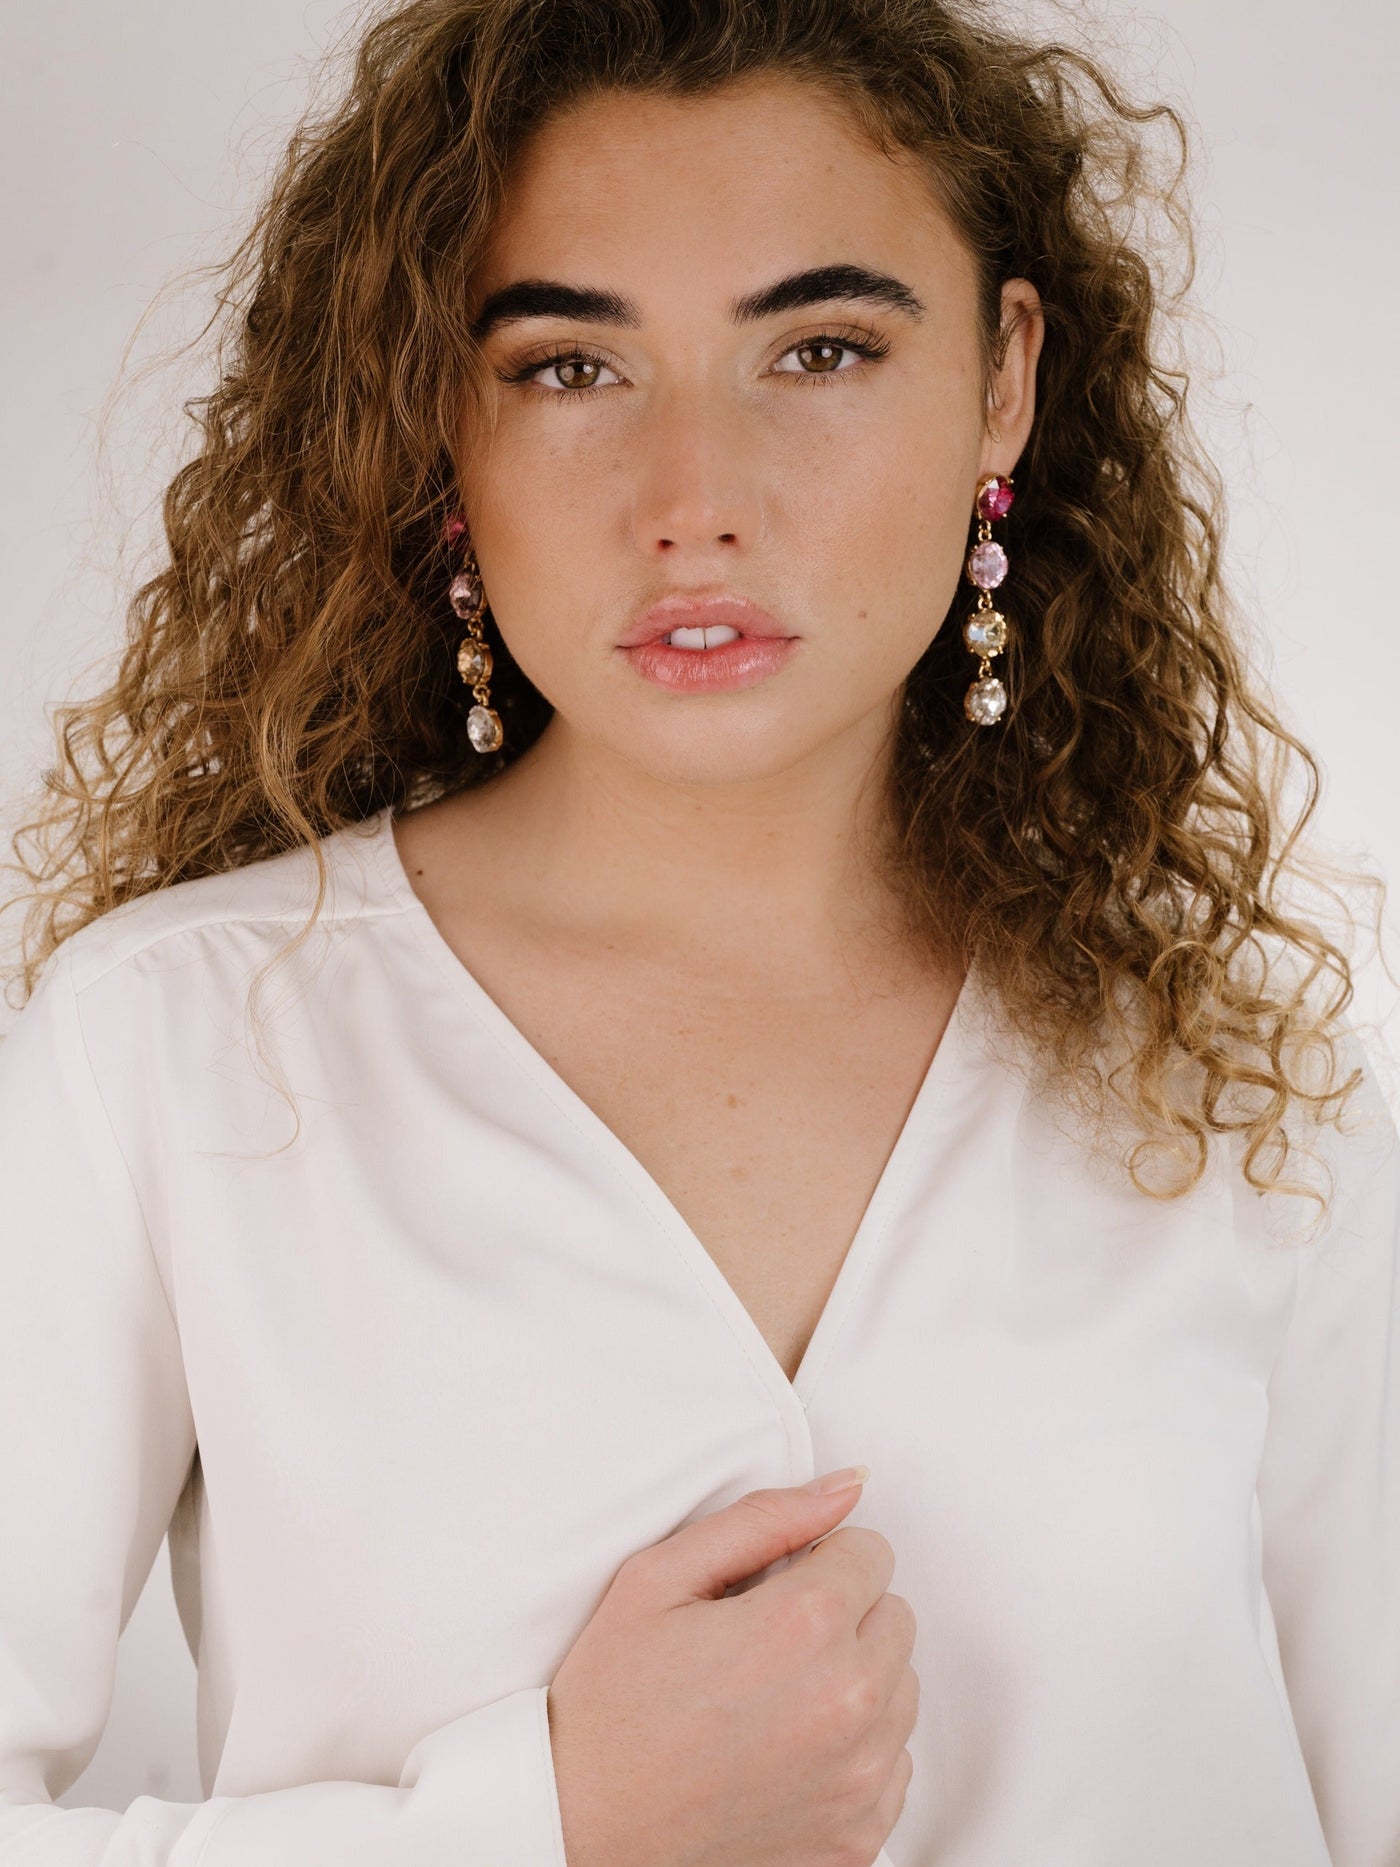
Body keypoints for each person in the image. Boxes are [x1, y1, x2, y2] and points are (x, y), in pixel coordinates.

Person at [1, 0, 1395, 1863]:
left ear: (1004, 379)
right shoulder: (170, 1052)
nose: (695, 506)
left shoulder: (1243, 1085)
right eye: (571, 368)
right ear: (443, 426)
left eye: (817, 349)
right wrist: (538, 1826)